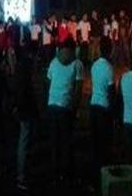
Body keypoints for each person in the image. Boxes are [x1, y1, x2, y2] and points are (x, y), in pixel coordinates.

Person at [47, 37, 84, 185]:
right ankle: (66, 173)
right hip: (65, 105)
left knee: (54, 140)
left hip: (52, 104)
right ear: (73, 48)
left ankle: (55, 171)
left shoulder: (54, 61)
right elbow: (78, 89)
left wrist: (48, 100)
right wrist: (75, 109)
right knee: (66, 140)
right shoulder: (77, 63)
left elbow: (48, 81)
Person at [89, 37, 115, 186]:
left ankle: (95, 176)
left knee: (95, 144)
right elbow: (111, 91)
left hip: (93, 106)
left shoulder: (94, 66)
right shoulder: (108, 68)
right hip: (104, 109)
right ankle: (105, 177)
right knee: (105, 145)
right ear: (109, 49)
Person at [13, 45, 39, 191]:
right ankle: (21, 176)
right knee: (24, 141)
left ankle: (23, 172)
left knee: (25, 139)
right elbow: (25, 94)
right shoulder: (24, 73)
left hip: (24, 108)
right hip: (25, 110)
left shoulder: (20, 70)